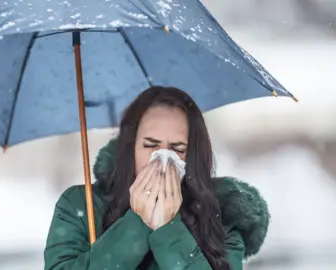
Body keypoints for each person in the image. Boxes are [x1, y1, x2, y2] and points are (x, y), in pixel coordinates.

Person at [44, 86, 269, 270]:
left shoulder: (223, 217)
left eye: (177, 149)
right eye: (150, 145)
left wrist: (167, 227)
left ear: (193, 157)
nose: (162, 160)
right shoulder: (80, 206)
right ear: (130, 147)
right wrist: (137, 223)